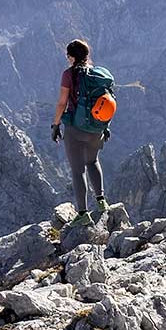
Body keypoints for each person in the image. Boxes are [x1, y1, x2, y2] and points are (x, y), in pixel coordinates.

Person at [52, 39, 114, 226]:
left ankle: (82, 213)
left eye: (68, 56)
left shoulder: (69, 75)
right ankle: (102, 201)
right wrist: (105, 126)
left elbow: (62, 103)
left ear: (71, 57)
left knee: (78, 171)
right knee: (93, 161)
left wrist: (55, 125)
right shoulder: (100, 74)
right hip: (97, 128)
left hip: (76, 129)